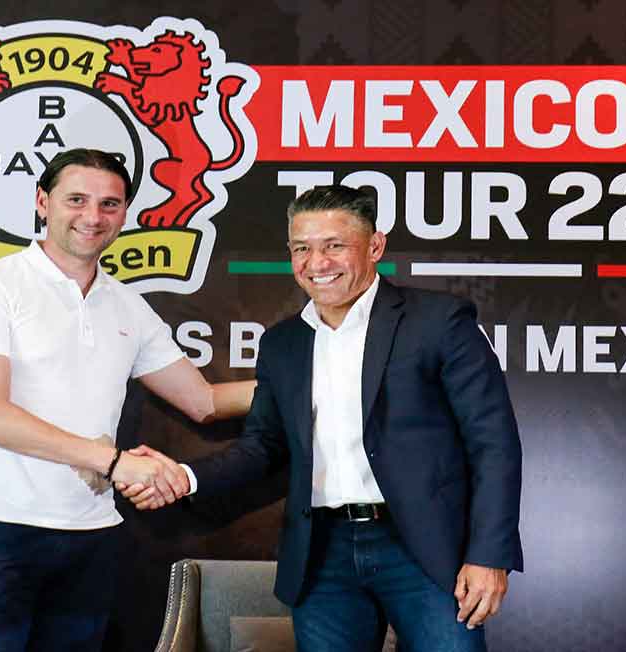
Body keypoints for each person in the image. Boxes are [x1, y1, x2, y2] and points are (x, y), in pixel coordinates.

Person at [120, 185, 523, 651]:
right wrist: (183, 477)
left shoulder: (439, 321)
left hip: (426, 550)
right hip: (321, 554)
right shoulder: (283, 344)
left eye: (334, 245)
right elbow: (263, 447)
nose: (317, 263)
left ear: (375, 247)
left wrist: (488, 555)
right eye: (302, 249)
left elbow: (493, 442)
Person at [0, 148, 254, 652]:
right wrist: (114, 462)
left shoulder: (127, 305)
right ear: (42, 201)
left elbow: (203, 400)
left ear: (124, 214)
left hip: (90, 534)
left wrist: (322, 379)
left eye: (109, 204)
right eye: (76, 199)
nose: (92, 217)